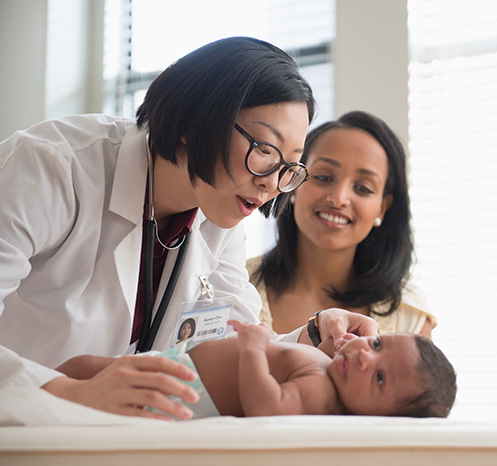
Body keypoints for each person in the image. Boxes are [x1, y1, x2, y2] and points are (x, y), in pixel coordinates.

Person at [0, 36, 378, 422]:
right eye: (265, 149)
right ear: (192, 121)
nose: (271, 183)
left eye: (289, 167)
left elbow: (238, 345)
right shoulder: (50, 167)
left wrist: (316, 335)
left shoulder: (219, 216)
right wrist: (72, 393)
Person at [247, 111, 436, 338]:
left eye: (363, 188)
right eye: (323, 177)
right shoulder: (233, 283)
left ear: (382, 208)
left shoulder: (408, 315)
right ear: (294, 182)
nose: (338, 199)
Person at [58, 320, 457, 419]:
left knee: (82, 369)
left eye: (380, 377)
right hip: (172, 367)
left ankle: (24, 398)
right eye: (376, 343)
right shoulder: (329, 371)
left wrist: (253, 350)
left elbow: (269, 405)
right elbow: (293, 358)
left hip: (174, 392)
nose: (366, 356)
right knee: (83, 367)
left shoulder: (321, 392)